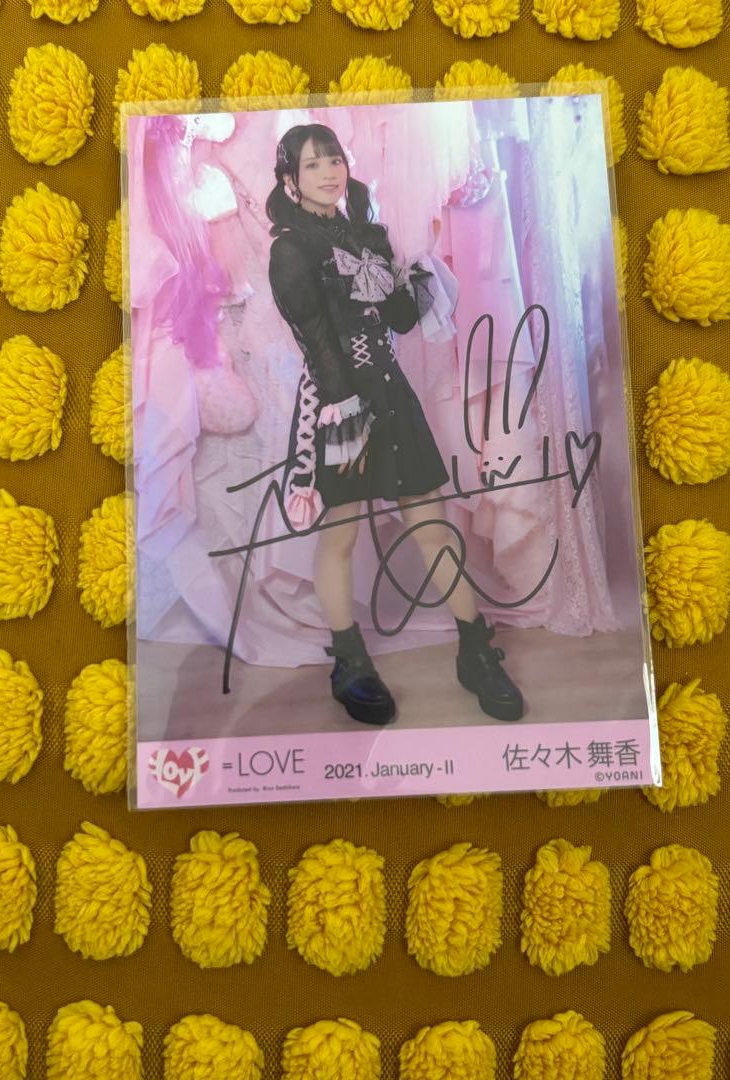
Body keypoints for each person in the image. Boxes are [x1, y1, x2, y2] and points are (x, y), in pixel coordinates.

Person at [266, 123, 524, 727]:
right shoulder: (290, 250)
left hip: (392, 395)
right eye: (312, 164)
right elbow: (318, 344)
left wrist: (412, 264)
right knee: (341, 536)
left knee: (431, 526)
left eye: (334, 159)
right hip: (339, 404)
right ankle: (349, 663)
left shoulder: (370, 234)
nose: (328, 172)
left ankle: (474, 651)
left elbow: (403, 320)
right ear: (290, 179)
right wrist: (348, 416)